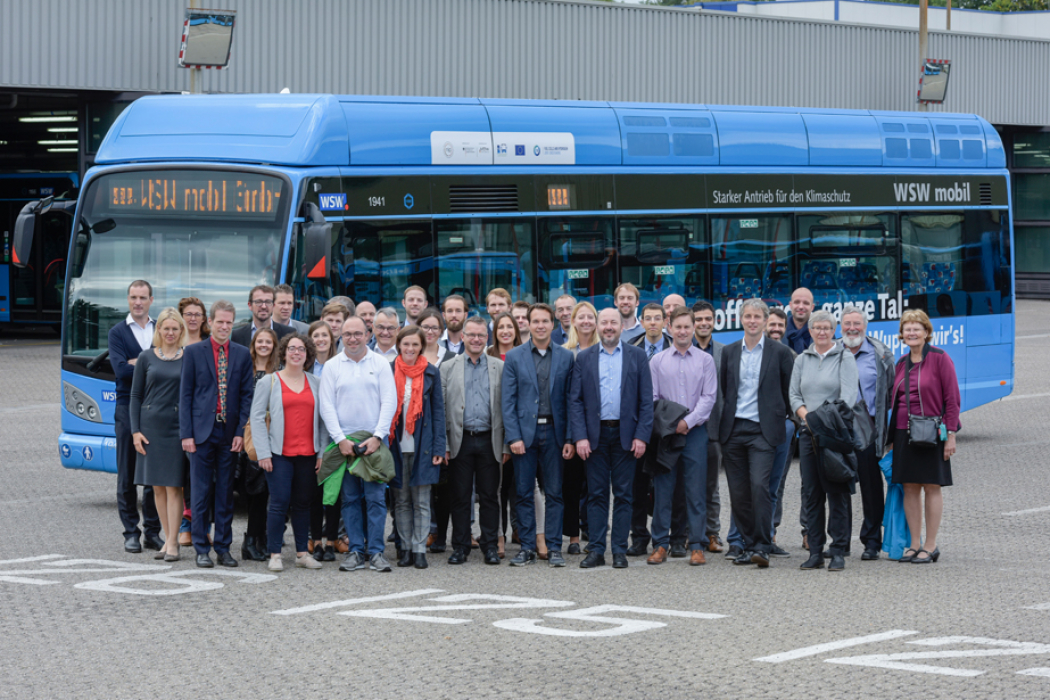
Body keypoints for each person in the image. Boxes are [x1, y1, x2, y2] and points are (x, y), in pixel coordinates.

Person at [570, 308, 653, 569]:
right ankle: (596, 550)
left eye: (613, 323)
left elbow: (646, 401)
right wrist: (580, 436)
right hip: (593, 437)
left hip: (626, 436)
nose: (608, 327)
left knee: (624, 494)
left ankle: (618, 550)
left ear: (621, 326)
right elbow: (575, 401)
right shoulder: (584, 358)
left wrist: (642, 436)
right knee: (596, 494)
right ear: (597, 325)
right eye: (604, 322)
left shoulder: (637, 357)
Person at [718, 299, 795, 569]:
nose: (752, 321)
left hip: (763, 431)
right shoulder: (728, 352)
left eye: (757, 317)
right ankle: (747, 545)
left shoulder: (780, 352)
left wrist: (779, 416)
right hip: (734, 430)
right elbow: (726, 390)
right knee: (738, 493)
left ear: (765, 321)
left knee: (760, 487)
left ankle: (762, 544)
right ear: (741, 319)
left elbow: (788, 391)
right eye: (747, 316)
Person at [318, 316, 398, 573]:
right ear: (340, 336)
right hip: (345, 442)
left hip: (374, 441)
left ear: (368, 334)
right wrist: (340, 439)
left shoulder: (381, 364)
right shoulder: (332, 366)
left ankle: (376, 552)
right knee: (350, 499)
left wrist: (378, 436)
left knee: (375, 499)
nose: (353, 338)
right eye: (347, 334)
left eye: (358, 333)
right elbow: (326, 405)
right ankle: (355, 550)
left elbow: (389, 401)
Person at [180, 300, 255, 568]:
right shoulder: (193, 352)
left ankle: (223, 547)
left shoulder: (241, 354)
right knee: (200, 492)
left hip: (229, 433)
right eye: (220, 322)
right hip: (200, 433)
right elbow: (186, 394)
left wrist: (239, 431)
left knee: (225, 492)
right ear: (209, 322)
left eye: (229, 323)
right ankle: (201, 548)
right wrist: (186, 434)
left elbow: (247, 395)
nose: (224, 327)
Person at [502, 303, 576, 567]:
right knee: (523, 493)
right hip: (524, 435)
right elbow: (507, 402)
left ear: (553, 324)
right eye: (536, 321)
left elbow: (571, 401)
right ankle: (527, 548)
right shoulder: (515, 357)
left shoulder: (566, 357)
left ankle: (555, 547)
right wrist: (513, 438)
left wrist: (569, 438)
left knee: (555, 493)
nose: (541, 326)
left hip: (555, 433)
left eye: (546, 321)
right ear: (529, 325)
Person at [888, 309, 959, 565]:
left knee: (931, 486)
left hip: (932, 432)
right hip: (903, 433)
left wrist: (951, 434)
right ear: (902, 334)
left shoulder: (940, 358)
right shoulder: (900, 363)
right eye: (907, 328)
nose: (911, 332)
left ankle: (930, 545)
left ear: (926, 332)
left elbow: (952, 399)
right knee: (909, 486)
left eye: (916, 328)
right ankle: (914, 543)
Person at [647, 307, 717, 566]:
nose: (683, 331)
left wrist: (687, 421)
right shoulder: (657, 361)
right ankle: (660, 544)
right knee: (663, 490)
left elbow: (709, 397)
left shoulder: (705, 361)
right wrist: (673, 423)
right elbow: (653, 398)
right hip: (667, 434)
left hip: (695, 432)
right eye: (678, 327)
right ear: (670, 327)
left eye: (688, 326)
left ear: (693, 327)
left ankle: (696, 545)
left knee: (695, 490)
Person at [790, 310, 858, 572]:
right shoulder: (802, 360)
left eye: (826, 328)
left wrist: (820, 421)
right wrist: (808, 418)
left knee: (837, 493)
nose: (821, 332)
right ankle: (815, 551)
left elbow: (847, 399)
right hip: (808, 436)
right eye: (816, 328)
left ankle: (838, 550)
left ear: (833, 331)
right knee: (812, 494)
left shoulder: (844, 357)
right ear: (810, 331)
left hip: (834, 435)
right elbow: (794, 395)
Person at [250, 334, 324, 571]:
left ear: (307, 354)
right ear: (283, 353)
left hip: (308, 453)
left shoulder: (316, 383)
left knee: (303, 503)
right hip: (278, 453)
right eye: (291, 348)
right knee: (279, 503)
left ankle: (302, 554)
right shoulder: (269, 382)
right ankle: (275, 555)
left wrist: (321, 452)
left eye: (301, 349)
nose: (296, 353)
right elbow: (257, 418)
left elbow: (322, 421)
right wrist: (263, 453)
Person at [441, 316, 509, 566]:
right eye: (471, 335)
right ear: (463, 337)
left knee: (490, 496)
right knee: (460, 497)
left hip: (490, 439)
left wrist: (505, 445)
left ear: (487, 338)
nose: (476, 339)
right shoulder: (448, 367)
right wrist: (445, 445)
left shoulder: (498, 367)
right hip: (461, 441)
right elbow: (442, 408)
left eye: (481, 335)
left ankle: (490, 546)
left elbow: (506, 408)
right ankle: (460, 546)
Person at [626, 302, 687, 558]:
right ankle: (639, 537)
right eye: (648, 318)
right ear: (641, 321)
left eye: (657, 318)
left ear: (665, 321)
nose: (653, 322)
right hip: (638, 426)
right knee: (637, 485)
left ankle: (676, 538)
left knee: (673, 484)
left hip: (668, 427)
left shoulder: (677, 348)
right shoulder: (630, 350)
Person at [109, 280, 163, 553]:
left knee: (153, 472)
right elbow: (120, 370)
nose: (138, 302)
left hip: (155, 408)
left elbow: (169, 361)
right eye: (133, 297)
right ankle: (131, 532)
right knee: (127, 472)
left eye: (143, 297)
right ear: (128, 299)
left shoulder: (159, 329)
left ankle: (153, 532)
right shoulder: (117, 332)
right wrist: (152, 361)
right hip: (125, 406)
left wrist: (138, 362)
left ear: (151, 300)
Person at [130, 307, 187, 562]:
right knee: (157, 488)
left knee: (174, 486)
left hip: (177, 428)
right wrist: (135, 431)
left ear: (181, 331)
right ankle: (166, 539)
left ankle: (173, 542)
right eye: (166, 328)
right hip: (150, 428)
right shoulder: (146, 357)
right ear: (159, 330)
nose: (171, 332)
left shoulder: (190, 357)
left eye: (175, 328)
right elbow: (135, 396)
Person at [388, 326, 447, 569]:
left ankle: (421, 548)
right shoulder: (388, 371)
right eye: (406, 344)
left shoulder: (431, 372)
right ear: (398, 345)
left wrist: (439, 449)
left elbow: (438, 414)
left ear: (421, 346)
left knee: (422, 501)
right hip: (395, 446)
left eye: (415, 344)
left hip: (422, 445)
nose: (410, 349)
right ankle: (407, 549)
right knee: (401, 501)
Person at [840, 306, 895, 561]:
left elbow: (892, 394)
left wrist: (889, 435)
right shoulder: (832, 350)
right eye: (847, 323)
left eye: (857, 323)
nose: (852, 328)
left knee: (871, 490)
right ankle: (840, 540)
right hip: (838, 430)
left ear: (865, 326)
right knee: (839, 487)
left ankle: (872, 541)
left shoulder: (881, 354)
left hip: (868, 429)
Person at [560, 300, 599, 553]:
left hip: (598, 430)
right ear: (572, 321)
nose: (586, 321)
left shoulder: (605, 350)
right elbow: (564, 397)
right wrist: (570, 437)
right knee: (571, 485)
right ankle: (574, 537)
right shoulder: (564, 353)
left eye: (590, 317)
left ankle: (594, 535)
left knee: (596, 487)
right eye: (581, 317)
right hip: (572, 430)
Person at [239, 328, 280, 562]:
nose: (264, 345)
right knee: (255, 492)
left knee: (268, 493)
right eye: (260, 341)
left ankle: (262, 538)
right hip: (250, 436)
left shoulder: (279, 371)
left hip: (274, 435)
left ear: (274, 345)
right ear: (254, 344)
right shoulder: (246, 369)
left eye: (269, 342)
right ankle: (250, 541)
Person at [487, 310, 522, 555]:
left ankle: (520, 529)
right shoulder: (486, 354)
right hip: (493, 431)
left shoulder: (524, 354)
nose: (506, 331)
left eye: (510, 327)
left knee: (520, 485)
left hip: (520, 429)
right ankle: (498, 534)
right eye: (501, 327)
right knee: (496, 486)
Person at [693, 300, 726, 554]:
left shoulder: (725, 352)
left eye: (708, 319)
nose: (704, 323)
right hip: (687, 428)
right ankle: (688, 533)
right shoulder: (680, 349)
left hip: (714, 429)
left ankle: (712, 533)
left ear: (714, 321)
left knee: (711, 486)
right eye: (699, 319)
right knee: (686, 484)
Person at [176, 297, 210, 546]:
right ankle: (179, 527)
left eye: (198, 314)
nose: (193, 318)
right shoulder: (171, 343)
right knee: (176, 475)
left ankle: (198, 526)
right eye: (188, 314)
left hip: (202, 422)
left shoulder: (210, 345)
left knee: (199, 478)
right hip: (173, 418)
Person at [305, 320, 340, 559]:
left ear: (331, 339)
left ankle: (331, 541)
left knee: (334, 493)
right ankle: (315, 540)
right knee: (315, 492)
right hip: (310, 437)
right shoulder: (304, 368)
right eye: (316, 335)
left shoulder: (340, 366)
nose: (320, 339)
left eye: (324, 335)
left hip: (336, 437)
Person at [765, 307, 798, 553]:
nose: (776, 329)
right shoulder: (750, 354)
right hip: (754, 429)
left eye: (780, 325)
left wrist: (793, 422)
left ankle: (771, 534)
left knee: (778, 483)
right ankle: (748, 535)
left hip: (783, 429)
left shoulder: (791, 356)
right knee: (752, 483)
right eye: (772, 324)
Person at [783, 287, 815, 354]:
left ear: (812, 307)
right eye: (797, 302)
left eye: (806, 303)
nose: (801, 307)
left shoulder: (824, 332)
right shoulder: (779, 330)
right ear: (790, 305)